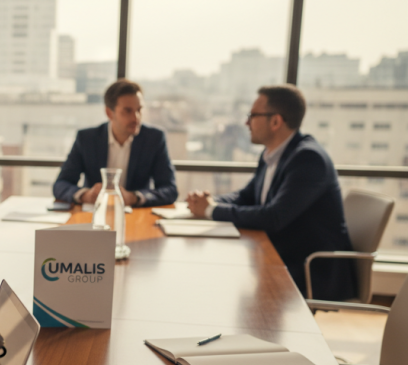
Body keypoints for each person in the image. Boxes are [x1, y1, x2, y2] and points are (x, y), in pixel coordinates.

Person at [186, 84, 356, 301]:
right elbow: (247, 196)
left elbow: (273, 217)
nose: (246, 122)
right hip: (278, 254)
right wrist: (208, 201)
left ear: (275, 121)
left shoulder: (308, 160)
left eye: (253, 115)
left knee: (219, 287)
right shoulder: (273, 154)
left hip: (308, 269)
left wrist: (211, 210)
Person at [53, 79, 177, 208]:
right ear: (109, 113)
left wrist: (134, 197)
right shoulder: (87, 139)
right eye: (127, 111)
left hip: (137, 216)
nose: (136, 117)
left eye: (139, 110)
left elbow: (170, 189)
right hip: (94, 214)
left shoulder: (154, 138)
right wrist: (86, 195)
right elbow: (61, 184)